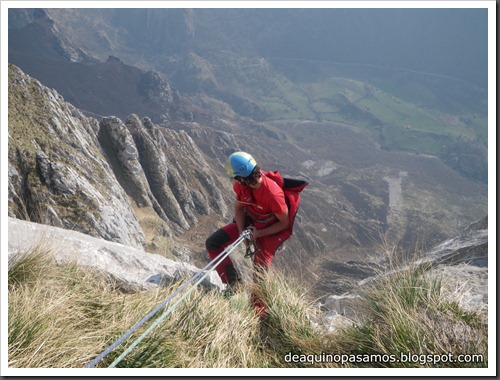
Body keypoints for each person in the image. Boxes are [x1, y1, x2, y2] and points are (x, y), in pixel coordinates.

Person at [205, 151, 307, 316]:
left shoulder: (273, 194)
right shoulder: (242, 186)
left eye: (236, 178)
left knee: (259, 274)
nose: (235, 182)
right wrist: (241, 233)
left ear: (243, 177)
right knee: (213, 243)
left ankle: (259, 313)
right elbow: (239, 209)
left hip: (267, 231)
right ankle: (234, 285)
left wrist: (258, 234)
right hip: (250, 224)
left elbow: (284, 223)